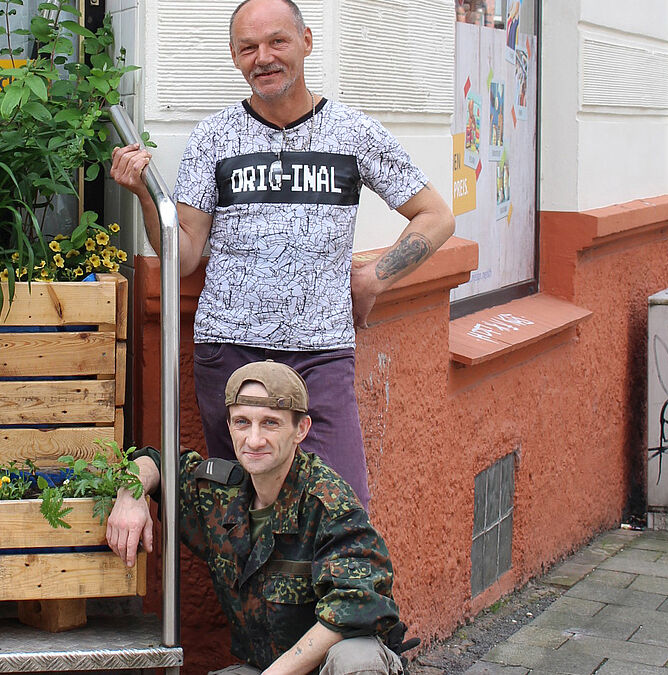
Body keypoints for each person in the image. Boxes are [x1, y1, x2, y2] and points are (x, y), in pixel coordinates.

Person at [109, 0, 455, 507]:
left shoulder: (354, 133)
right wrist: (144, 196)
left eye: (277, 42)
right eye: (248, 47)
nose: (263, 57)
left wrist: (373, 278)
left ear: (306, 42)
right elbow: (182, 256)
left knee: (339, 509)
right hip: (230, 352)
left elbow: (436, 216)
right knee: (236, 511)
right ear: (234, 56)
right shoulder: (213, 138)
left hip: (320, 354)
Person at [106, 360, 413, 674]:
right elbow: (154, 461)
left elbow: (354, 602)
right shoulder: (220, 492)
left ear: (301, 429)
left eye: (270, 423)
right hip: (262, 665)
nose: (253, 440)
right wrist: (131, 494)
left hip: (324, 666)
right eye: (242, 422)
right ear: (229, 426)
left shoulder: (329, 502)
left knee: (356, 660)